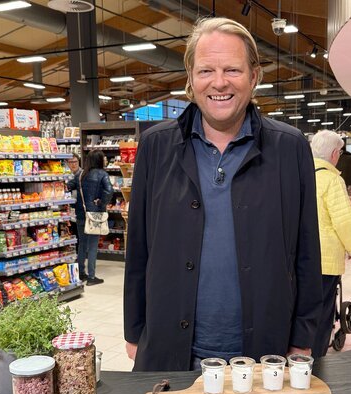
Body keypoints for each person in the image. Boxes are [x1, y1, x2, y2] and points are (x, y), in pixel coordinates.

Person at [123, 17, 323, 372]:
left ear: (254, 76)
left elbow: (307, 251)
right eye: (206, 71)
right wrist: (135, 329)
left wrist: (303, 336)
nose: (219, 83)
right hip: (171, 348)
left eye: (232, 69)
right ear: (190, 77)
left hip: (264, 351)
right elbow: (138, 245)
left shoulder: (289, 148)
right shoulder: (156, 146)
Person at [309, 130, 351, 358]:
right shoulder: (332, 180)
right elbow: (344, 220)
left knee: (302, 309)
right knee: (322, 313)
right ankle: (317, 359)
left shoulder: (300, 175)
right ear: (333, 154)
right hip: (325, 259)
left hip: (299, 256)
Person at [67, 150, 113, 286]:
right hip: (95, 214)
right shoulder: (102, 174)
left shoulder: (81, 174)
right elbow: (109, 191)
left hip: (81, 213)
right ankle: (92, 277)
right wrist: (101, 202)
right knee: (93, 246)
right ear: (99, 160)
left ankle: (81, 273)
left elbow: (68, 186)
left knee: (82, 244)